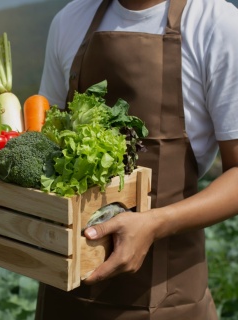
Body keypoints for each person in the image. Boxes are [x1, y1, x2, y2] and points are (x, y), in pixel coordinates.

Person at [35, 0, 238, 319]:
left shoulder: (217, 23)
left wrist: (155, 223)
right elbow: (48, 145)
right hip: (65, 295)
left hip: (168, 297)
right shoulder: (70, 21)